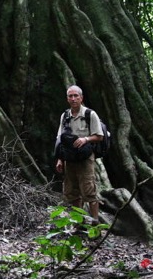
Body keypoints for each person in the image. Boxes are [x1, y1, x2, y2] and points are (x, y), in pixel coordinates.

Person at [54, 85, 104, 225]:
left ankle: (96, 224)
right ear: (67, 98)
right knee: (72, 192)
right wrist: (59, 159)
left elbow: (99, 136)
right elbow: (60, 139)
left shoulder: (90, 114)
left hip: (86, 159)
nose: (73, 98)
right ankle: (79, 224)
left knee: (89, 191)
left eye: (76, 96)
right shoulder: (65, 116)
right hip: (69, 159)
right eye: (70, 96)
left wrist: (85, 139)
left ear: (81, 98)